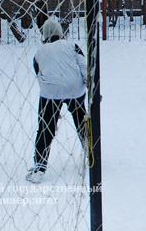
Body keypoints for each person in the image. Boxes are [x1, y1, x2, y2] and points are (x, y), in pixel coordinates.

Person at [27, 17, 88, 183]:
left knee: (45, 127)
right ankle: (91, 155)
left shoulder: (40, 52)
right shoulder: (72, 46)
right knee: (82, 120)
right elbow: (84, 66)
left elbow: (39, 74)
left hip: (50, 92)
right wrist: (88, 85)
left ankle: (39, 167)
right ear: (61, 33)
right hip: (75, 89)